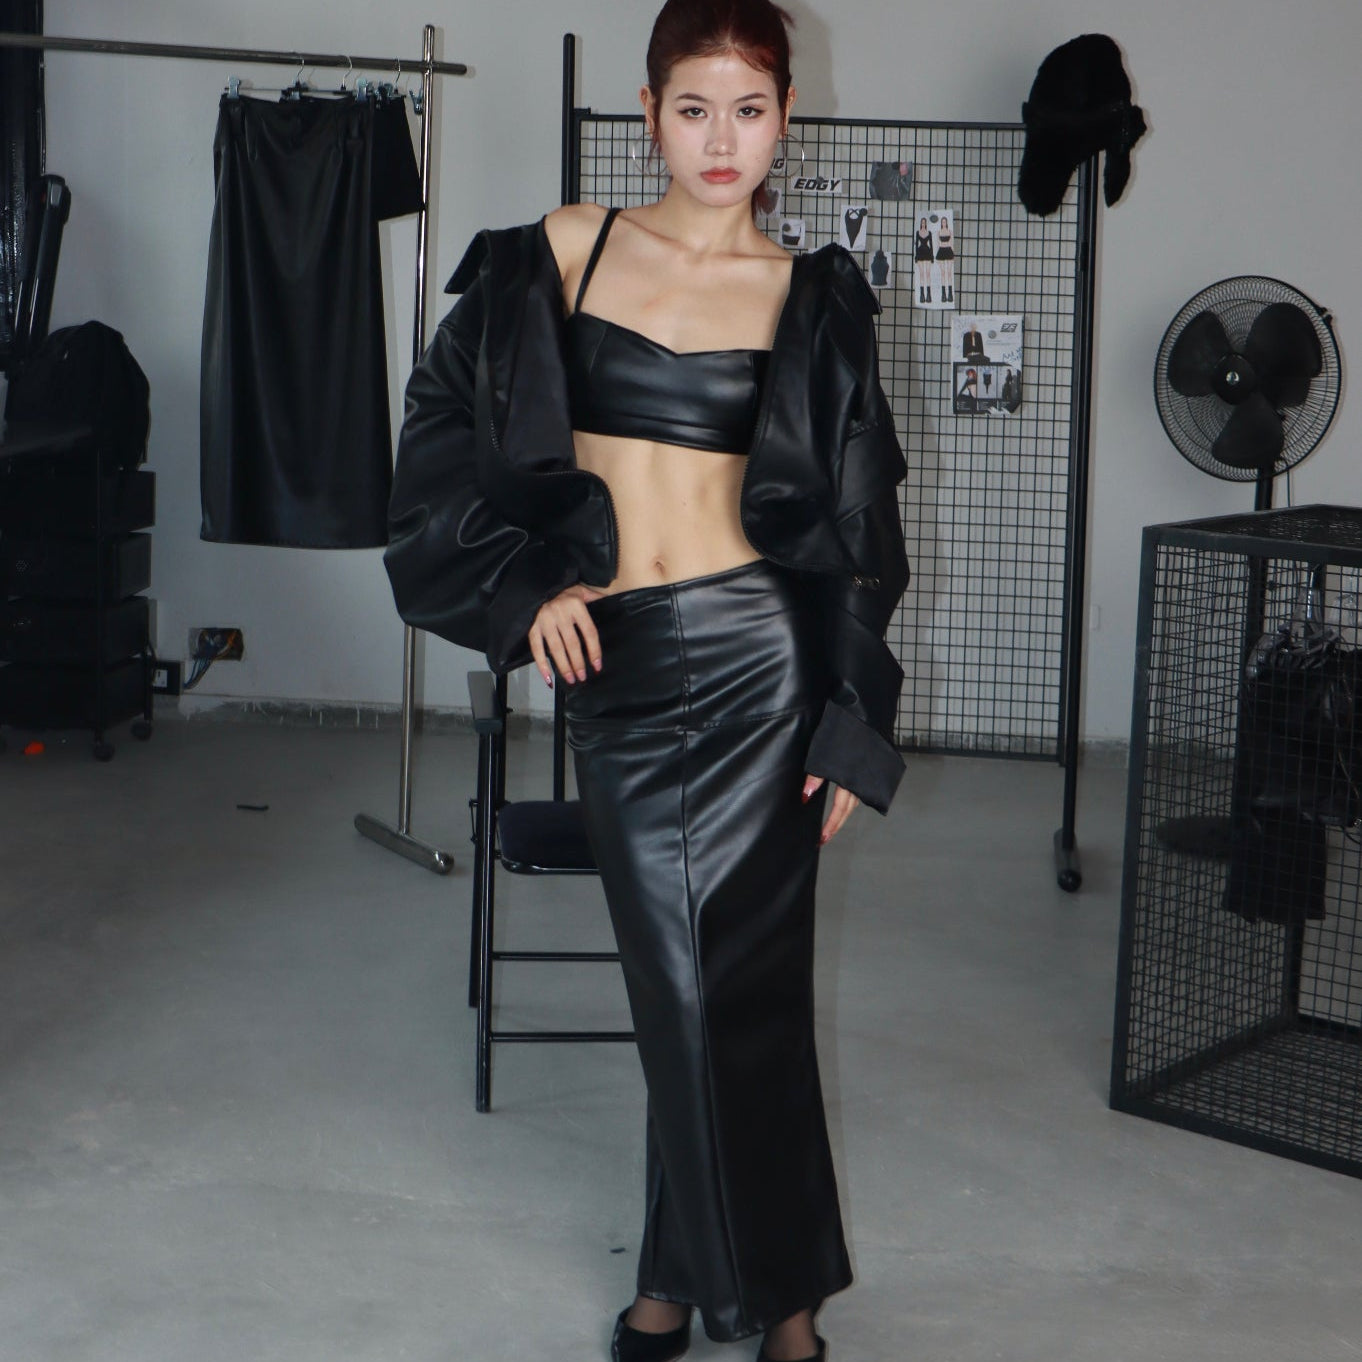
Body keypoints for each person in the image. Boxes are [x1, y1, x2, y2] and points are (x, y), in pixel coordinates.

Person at [383, 3, 910, 1359]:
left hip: (763, 664)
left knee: (735, 990)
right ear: (648, 112)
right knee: (684, 987)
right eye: (693, 108)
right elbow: (438, 429)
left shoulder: (815, 297)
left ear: (785, 116)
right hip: (618, 669)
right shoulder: (565, 250)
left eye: (748, 110)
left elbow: (861, 527)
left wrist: (853, 726)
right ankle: (766, 1293)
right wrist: (522, 589)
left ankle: (717, 1301)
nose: (721, 139)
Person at [913, 213, 934, 303]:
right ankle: (922, 295)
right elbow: (916, 244)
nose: (923, 224)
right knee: (922, 274)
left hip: (928, 253)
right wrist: (916, 256)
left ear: (926, 224)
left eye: (924, 223)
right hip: (920, 252)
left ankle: (928, 295)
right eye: (922, 222)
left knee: (928, 274)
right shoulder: (918, 232)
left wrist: (932, 256)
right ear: (921, 223)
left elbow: (931, 245)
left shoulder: (929, 233)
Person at [934, 211, 955, 303]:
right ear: (941, 223)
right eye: (942, 222)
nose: (944, 223)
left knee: (949, 273)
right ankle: (943, 294)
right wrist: (936, 256)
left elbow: (952, 243)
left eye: (945, 222)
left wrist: (953, 255)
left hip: (949, 251)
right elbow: (937, 244)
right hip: (941, 251)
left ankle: (950, 294)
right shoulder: (939, 232)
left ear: (946, 223)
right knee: (943, 273)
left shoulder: (950, 231)